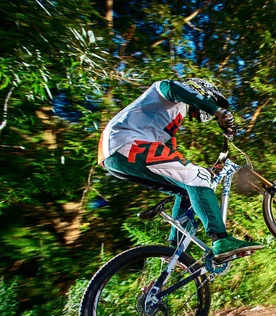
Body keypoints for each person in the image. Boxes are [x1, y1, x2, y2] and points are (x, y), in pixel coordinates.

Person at [98, 78, 262, 261]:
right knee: (196, 177)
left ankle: (174, 251)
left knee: (186, 189)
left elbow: (173, 157)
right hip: (126, 143)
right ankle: (221, 241)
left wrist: (207, 172)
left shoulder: (169, 123)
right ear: (202, 92)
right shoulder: (169, 90)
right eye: (212, 102)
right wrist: (217, 111)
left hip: (117, 156)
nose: (207, 116)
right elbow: (172, 88)